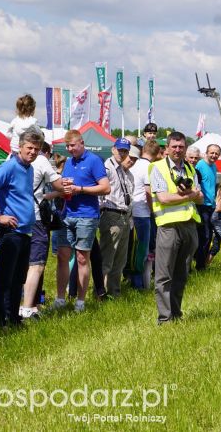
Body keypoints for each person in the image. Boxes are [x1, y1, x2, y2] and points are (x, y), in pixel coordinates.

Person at [0, 131, 43, 327]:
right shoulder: (10, 166)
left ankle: (13, 317)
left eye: (36, 149)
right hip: (10, 232)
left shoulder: (29, 169)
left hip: (25, 231)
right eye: (30, 148)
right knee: (3, 278)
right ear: (20, 147)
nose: (33, 152)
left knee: (18, 278)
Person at [149, 131, 203, 324]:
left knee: (181, 273)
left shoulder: (189, 169)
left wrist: (191, 193)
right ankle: (164, 318)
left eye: (181, 147)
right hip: (169, 226)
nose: (178, 150)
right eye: (174, 147)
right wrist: (189, 195)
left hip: (189, 224)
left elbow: (201, 197)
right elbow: (163, 198)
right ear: (167, 148)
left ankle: (176, 313)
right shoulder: (157, 168)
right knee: (164, 276)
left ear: (185, 149)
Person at [54, 130, 110, 312]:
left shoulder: (94, 160)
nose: (70, 149)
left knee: (82, 258)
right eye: (67, 146)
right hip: (67, 214)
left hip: (86, 215)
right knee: (62, 256)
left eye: (72, 146)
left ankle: (80, 301)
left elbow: (105, 188)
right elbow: (64, 186)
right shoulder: (69, 162)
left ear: (82, 143)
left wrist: (81, 189)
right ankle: (60, 299)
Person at [20, 141, 62, 319]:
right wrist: (65, 184)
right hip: (36, 218)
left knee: (24, 264)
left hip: (19, 218)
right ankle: (27, 307)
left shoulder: (13, 161)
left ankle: (32, 304)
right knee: (36, 264)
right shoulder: (42, 161)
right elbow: (59, 185)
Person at [99, 138, 135, 297]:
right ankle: (100, 292)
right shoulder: (107, 167)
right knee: (108, 256)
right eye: (120, 150)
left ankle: (114, 291)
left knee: (120, 258)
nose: (122, 153)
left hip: (124, 215)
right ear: (113, 149)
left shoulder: (122, 170)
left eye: (125, 151)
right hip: (111, 213)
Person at [129, 140, 157, 289]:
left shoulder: (134, 164)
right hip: (142, 213)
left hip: (131, 211)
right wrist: (153, 210)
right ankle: (138, 284)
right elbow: (148, 192)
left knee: (131, 248)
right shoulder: (149, 167)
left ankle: (132, 279)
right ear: (156, 154)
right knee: (142, 249)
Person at [194, 144, 220, 270]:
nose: (214, 155)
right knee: (204, 236)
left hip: (211, 205)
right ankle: (200, 265)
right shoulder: (200, 165)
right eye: (212, 153)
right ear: (206, 152)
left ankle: (202, 262)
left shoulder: (214, 166)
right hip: (202, 205)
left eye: (216, 153)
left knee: (208, 236)